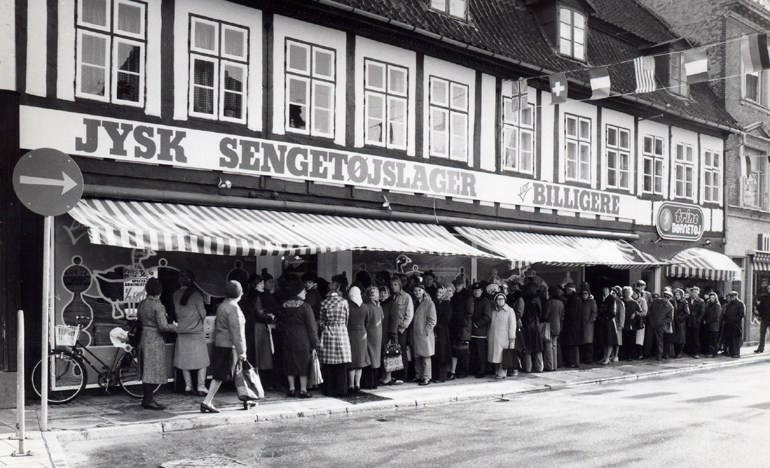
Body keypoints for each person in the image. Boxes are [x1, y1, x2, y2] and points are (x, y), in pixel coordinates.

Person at [200, 281, 246, 413]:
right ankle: (207, 401)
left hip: (220, 343)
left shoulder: (222, 306)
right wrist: (242, 351)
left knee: (234, 373)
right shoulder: (234, 308)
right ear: (237, 293)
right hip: (230, 346)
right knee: (221, 375)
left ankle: (247, 399)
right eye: (240, 291)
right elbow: (237, 332)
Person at [276, 277, 320, 398]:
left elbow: (279, 322)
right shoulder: (305, 307)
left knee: (289, 362)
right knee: (303, 363)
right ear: (298, 292)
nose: (305, 292)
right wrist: (316, 343)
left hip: (287, 337)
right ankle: (303, 390)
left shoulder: (284, 305)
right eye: (303, 290)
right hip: (302, 338)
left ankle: (291, 389)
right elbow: (312, 328)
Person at [138, 278, 177, 410]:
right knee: (151, 370)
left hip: (144, 337)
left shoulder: (142, 303)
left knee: (146, 369)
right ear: (159, 292)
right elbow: (163, 327)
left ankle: (146, 398)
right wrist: (176, 327)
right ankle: (149, 400)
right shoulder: (158, 306)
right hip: (154, 339)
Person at [172, 270, 210, 397]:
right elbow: (203, 314)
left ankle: (188, 386)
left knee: (184, 361)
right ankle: (201, 386)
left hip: (182, 331)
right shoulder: (196, 295)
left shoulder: (176, 294)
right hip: (196, 332)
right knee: (202, 361)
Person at [318, 274, 352, 397]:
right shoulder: (344, 302)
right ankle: (341, 389)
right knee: (341, 363)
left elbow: (321, 322)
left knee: (328, 362)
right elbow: (347, 319)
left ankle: (328, 389)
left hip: (328, 331)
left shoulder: (324, 303)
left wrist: (326, 327)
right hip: (341, 331)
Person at [240, 274, 275, 381]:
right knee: (260, 356)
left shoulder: (247, 296)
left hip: (249, 328)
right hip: (257, 329)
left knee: (252, 355)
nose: (263, 285)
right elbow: (259, 314)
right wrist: (270, 318)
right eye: (260, 283)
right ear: (254, 284)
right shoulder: (257, 297)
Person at [411, 278, 437, 385]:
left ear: (423, 291)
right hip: (416, 333)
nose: (417, 292)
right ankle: (419, 376)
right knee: (417, 356)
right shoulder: (414, 302)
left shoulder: (429, 303)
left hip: (424, 334)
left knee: (426, 356)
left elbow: (432, 320)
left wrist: (426, 331)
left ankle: (426, 377)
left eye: (419, 290)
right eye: (415, 290)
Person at [487, 291, 517, 379]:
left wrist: (511, 337)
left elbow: (512, 324)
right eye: (498, 299)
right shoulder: (494, 312)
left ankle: (503, 372)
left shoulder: (510, 311)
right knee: (495, 355)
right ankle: (496, 371)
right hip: (494, 337)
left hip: (504, 337)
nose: (500, 301)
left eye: (502, 299)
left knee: (503, 355)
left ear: (505, 300)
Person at [390, 276, 414, 382]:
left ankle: (403, 375)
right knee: (393, 352)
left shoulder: (406, 297)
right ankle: (395, 374)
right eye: (391, 285)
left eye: (395, 284)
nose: (393, 287)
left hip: (401, 329)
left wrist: (403, 327)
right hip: (392, 329)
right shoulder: (391, 297)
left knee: (402, 351)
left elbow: (409, 314)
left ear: (399, 285)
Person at [449, 277, 473, 379]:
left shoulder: (467, 295)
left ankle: (463, 371)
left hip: (463, 326)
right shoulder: (454, 295)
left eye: (458, 285)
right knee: (456, 349)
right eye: (455, 285)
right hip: (455, 325)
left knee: (463, 350)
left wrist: (464, 323)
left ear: (462, 285)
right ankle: (457, 370)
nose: (457, 287)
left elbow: (469, 312)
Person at [346, 286, 370, 393]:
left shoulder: (347, 306)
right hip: (362, 334)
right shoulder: (365, 307)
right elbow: (367, 321)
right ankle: (358, 384)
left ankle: (350, 385)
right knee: (360, 361)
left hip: (350, 334)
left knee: (351, 361)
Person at [379, 286, 402, 386]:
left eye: (385, 292)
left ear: (389, 294)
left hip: (389, 334)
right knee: (383, 356)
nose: (382, 294)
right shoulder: (379, 304)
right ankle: (384, 376)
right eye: (381, 292)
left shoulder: (392, 304)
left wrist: (392, 335)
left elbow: (394, 320)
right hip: (381, 333)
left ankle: (388, 377)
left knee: (388, 356)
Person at [361, 285, 383, 389]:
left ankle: (369, 383)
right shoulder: (378, 306)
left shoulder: (367, 306)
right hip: (376, 335)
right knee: (375, 358)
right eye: (374, 293)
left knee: (369, 357)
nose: (375, 295)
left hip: (370, 335)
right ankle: (374, 383)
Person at [520, 282, 544, 373]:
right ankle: (539, 367)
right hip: (535, 325)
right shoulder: (536, 299)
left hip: (526, 325)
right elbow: (540, 312)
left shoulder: (523, 299)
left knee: (527, 348)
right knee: (538, 348)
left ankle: (528, 368)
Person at [470, 282, 492, 377]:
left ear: (482, 291)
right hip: (472, 331)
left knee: (481, 353)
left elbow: (487, 316)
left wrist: (476, 324)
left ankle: (482, 371)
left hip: (480, 332)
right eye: (474, 290)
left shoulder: (485, 301)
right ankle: (475, 369)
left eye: (478, 290)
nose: (476, 292)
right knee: (474, 352)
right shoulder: (471, 300)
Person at [432, 284, 453, 383]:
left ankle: (442, 376)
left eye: (440, 292)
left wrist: (437, 324)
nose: (438, 294)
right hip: (435, 330)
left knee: (442, 353)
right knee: (436, 353)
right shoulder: (434, 303)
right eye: (437, 292)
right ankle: (435, 375)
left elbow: (447, 319)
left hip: (443, 331)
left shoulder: (447, 304)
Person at [646, 291, 673, 361]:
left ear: (670, 298)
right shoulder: (656, 301)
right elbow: (649, 310)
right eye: (665, 296)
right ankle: (647, 354)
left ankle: (659, 355)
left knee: (659, 341)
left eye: (668, 297)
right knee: (648, 339)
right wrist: (650, 319)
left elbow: (670, 318)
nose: (666, 298)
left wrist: (662, 322)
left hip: (660, 326)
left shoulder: (670, 307)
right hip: (652, 323)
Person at [542, 286, 564, 371]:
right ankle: (555, 365)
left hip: (549, 326)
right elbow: (562, 315)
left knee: (548, 346)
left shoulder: (549, 302)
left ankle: (549, 366)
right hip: (558, 326)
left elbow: (546, 315)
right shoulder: (561, 303)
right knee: (554, 346)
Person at [561, 283, 583, 368]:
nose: (565, 291)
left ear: (569, 290)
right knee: (574, 345)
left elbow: (571, 313)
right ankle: (576, 361)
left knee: (570, 344)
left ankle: (571, 362)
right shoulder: (578, 298)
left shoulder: (572, 299)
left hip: (571, 325)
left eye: (566, 289)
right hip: (577, 325)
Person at [596, 286, 617, 365]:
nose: (604, 291)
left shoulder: (612, 299)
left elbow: (613, 311)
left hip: (608, 322)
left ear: (609, 290)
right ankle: (604, 357)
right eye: (603, 289)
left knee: (609, 340)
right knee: (603, 341)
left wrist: (607, 317)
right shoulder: (600, 298)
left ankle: (608, 358)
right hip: (601, 322)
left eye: (606, 289)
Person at [722, 291, 745, 358]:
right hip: (728, 324)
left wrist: (734, 319)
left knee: (735, 339)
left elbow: (741, 315)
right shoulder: (729, 304)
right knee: (730, 339)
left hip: (736, 325)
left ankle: (736, 353)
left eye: (732, 296)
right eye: (730, 296)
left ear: (735, 296)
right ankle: (731, 352)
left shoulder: (740, 304)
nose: (730, 298)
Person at [580, 284, 597, 364]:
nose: (584, 295)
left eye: (586, 293)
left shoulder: (591, 302)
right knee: (583, 342)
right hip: (582, 324)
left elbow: (594, 313)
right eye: (583, 293)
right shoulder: (581, 302)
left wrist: (590, 320)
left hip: (589, 325)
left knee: (588, 343)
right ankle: (584, 358)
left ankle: (589, 359)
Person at [621, 286, 640, 361]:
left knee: (632, 341)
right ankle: (624, 355)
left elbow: (640, 312)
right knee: (624, 340)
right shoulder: (621, 301)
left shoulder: (634, 302)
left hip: (632, 324)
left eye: (628, 292)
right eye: (625, 292)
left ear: (631, 293)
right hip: (624, 323)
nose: (627, 294)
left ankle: (630, 356)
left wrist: (635, 313)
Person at [702, 291, 722, 358]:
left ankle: (713, 353)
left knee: (713, 340)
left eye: (713, 297)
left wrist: (707, 321)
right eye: (710, 297)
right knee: (709, 339)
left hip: (714, 326)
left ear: (715, 298)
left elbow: (716, 316)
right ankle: (709, 352)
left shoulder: (717, 305)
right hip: (709, 325)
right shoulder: (709, 305)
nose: (711, 299)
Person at [687, 287, 705, 358]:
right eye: (692, 292)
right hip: (688, 321)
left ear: (698, 293)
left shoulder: (701, 301)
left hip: (696, 321)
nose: (694, 293)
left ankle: (696, 352)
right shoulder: (688, 300)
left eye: (695, 292)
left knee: (696, 337)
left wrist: (698, 320)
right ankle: (690, 351)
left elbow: (702, 312)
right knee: (689, 336)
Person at [672, 288, 690, 359]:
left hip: (680, 322)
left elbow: (687, 313)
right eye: (675, 294)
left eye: (678, 294)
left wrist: (680, 319)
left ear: (681, 295)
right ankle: (675, 352)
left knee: (681, 338)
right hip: (674, 321)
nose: (676, 296)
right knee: (675, 337)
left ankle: (680, 352)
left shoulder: (684, 302)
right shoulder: (673, 302)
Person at [609, 286, 625, 362]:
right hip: (610, 323)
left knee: (618, 341)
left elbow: (622, 314)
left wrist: (621, 325)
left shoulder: (619, 302)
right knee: (611, 340)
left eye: (614, 293)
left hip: (617, 323)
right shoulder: (609, 301)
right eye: (611, 293)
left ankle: (616, 355)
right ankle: (611, 355)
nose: (612, 294)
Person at [754, 284, 770, 353]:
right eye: (768, 289)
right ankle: (761, 348)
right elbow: (760, 307)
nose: (769, 290)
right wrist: (760, 314)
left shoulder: (764, 297)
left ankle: (761, 348)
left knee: (762, 333)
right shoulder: (764, 298)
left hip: (766, 318)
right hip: (764, 318)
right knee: (762, 333)